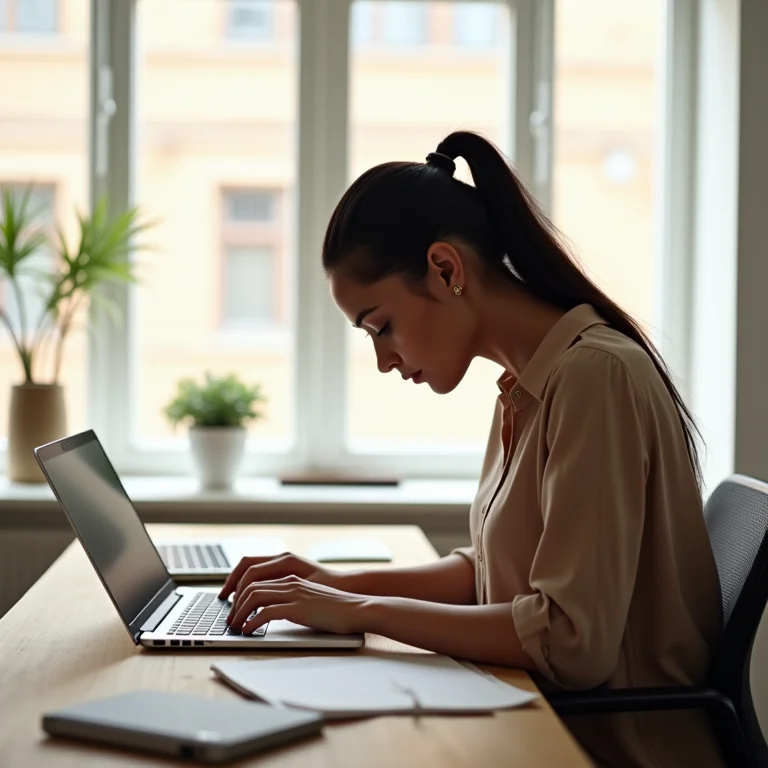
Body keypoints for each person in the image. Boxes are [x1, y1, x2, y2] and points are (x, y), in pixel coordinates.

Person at [219, 131, 725, 768]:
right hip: (545, 727)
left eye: (382, 326)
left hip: (606, 748)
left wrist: (359, 611)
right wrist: (334, 587)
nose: (382, 360)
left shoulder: (595, 378)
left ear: (447, 268)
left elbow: (570, 641)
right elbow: (489, 575)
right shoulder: (526, 384)